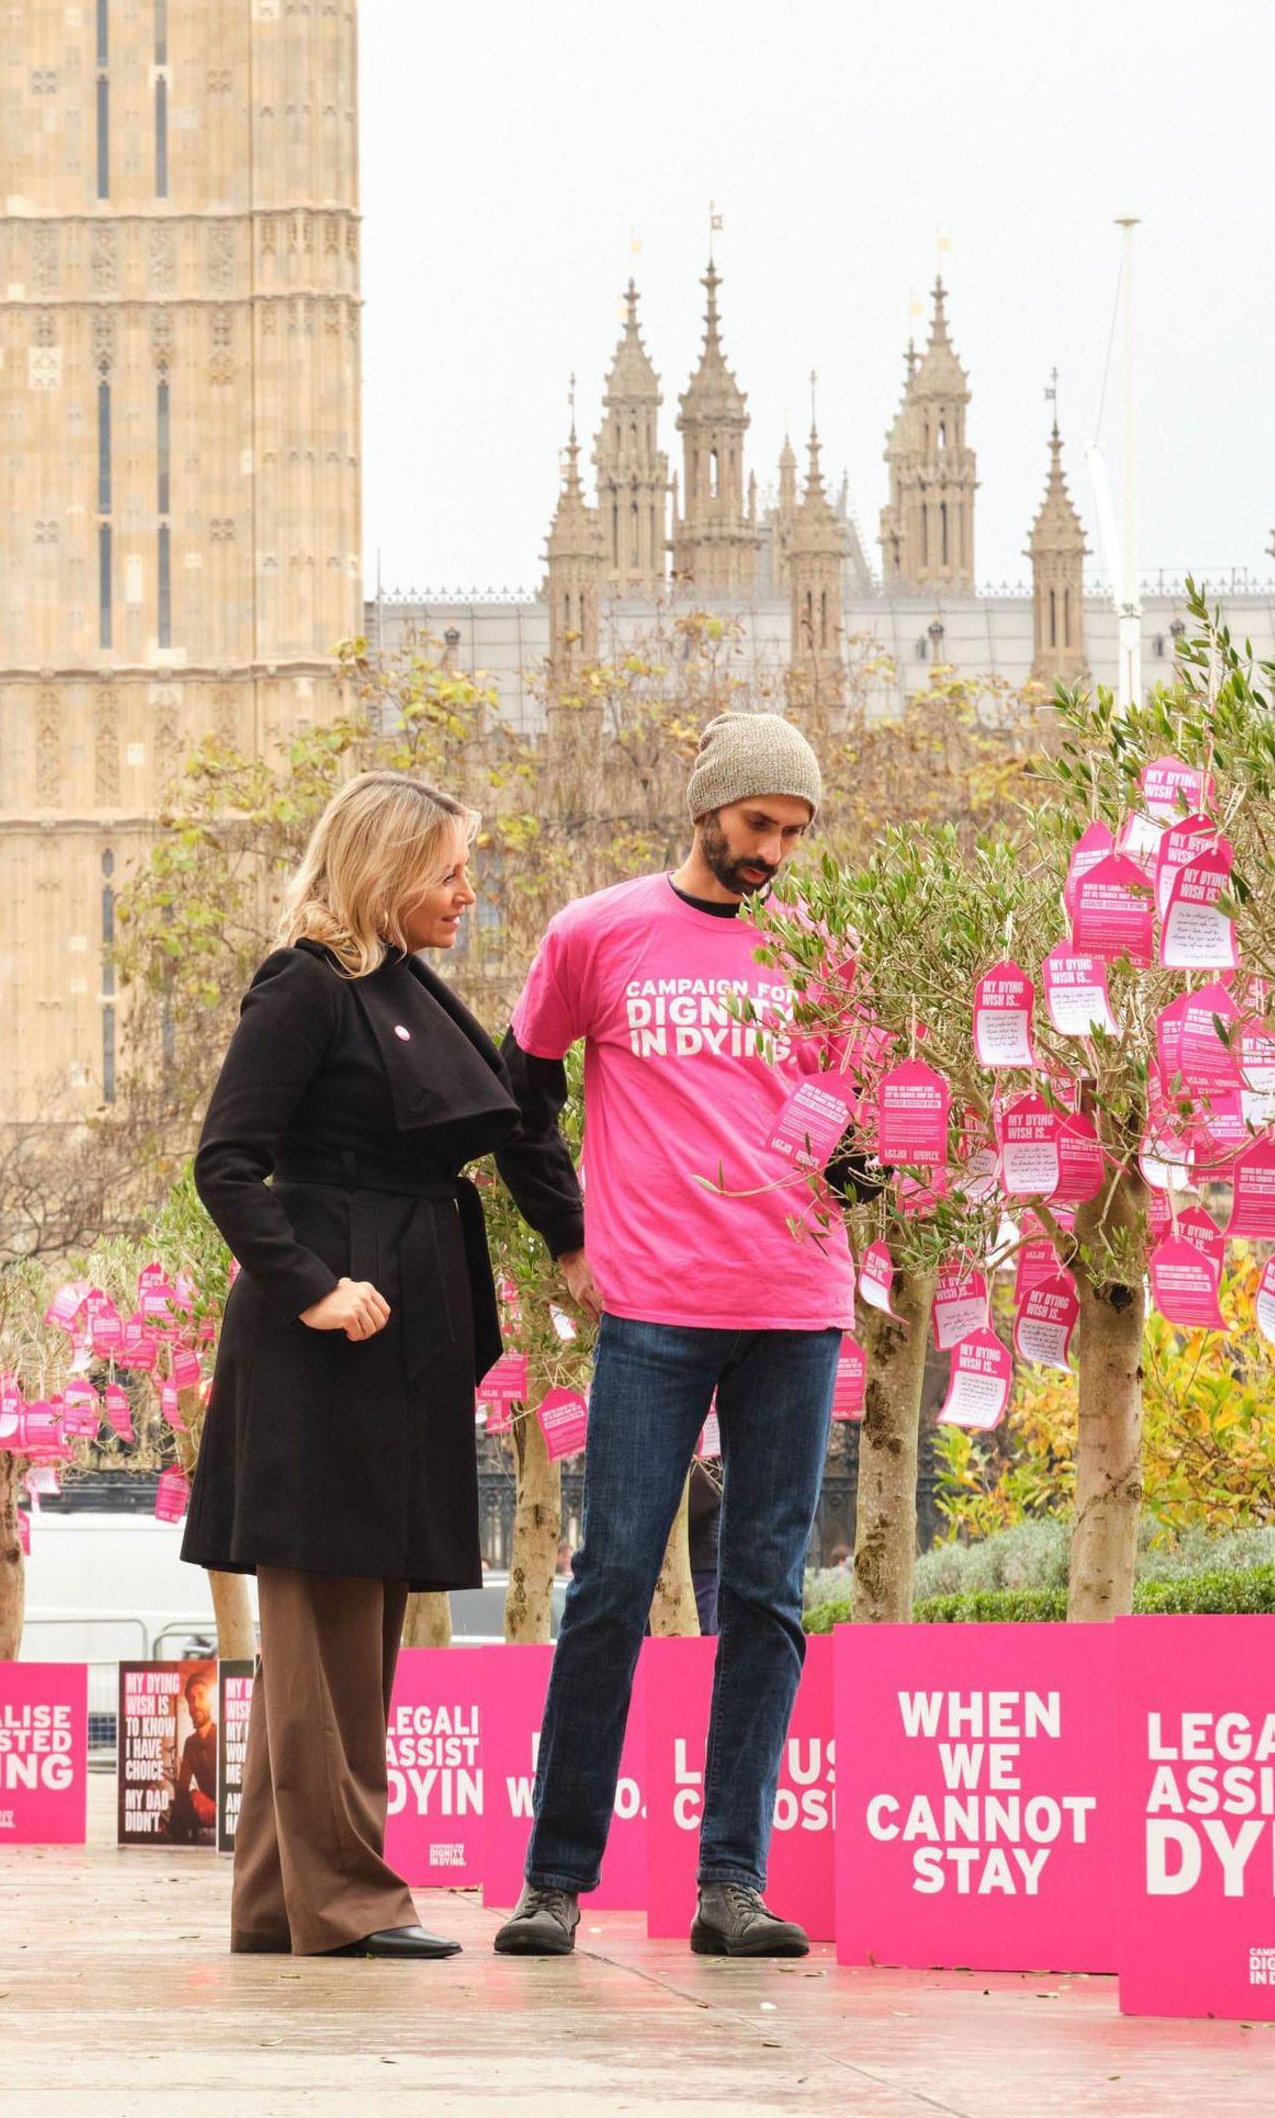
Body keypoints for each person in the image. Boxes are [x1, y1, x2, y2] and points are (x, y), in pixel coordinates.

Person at [183, 770, 583, 1961]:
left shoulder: (408, 987)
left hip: (403, 1339)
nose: (468, 891)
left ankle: (276, 1903)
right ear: (381, 869)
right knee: (322, 1640)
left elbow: (518, 1114)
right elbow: (225, 1164)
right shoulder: (304, 988)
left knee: (354, 1629)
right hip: (327, 1344)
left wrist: (573, 1235)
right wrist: (312, 1286)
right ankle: (349, 1902)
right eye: (448, 870)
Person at [493, 712, 842, 1963]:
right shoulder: (596, 934)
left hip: (798, 1310)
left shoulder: (824, 952)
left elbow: (852, 1125)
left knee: (768, 1596)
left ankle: (730, 1885)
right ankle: (554, 1882)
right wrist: (569, 1240)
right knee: (609, 1588)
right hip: (651, 1308)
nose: (773, 855)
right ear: (707, 808)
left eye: (794, 835)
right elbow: (518, 1099)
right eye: (758, 827)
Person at [158, 1655, 223, 1847]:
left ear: (210, 1702)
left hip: (227, 1807)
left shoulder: (223, 1735)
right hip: (202, 1808)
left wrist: (216, 1805)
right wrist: (196, 1796)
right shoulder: (190, 1743)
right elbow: (183, 1786)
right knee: (179, 1803)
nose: (195, 1704)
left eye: (201, 1696)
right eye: (191, 1699)